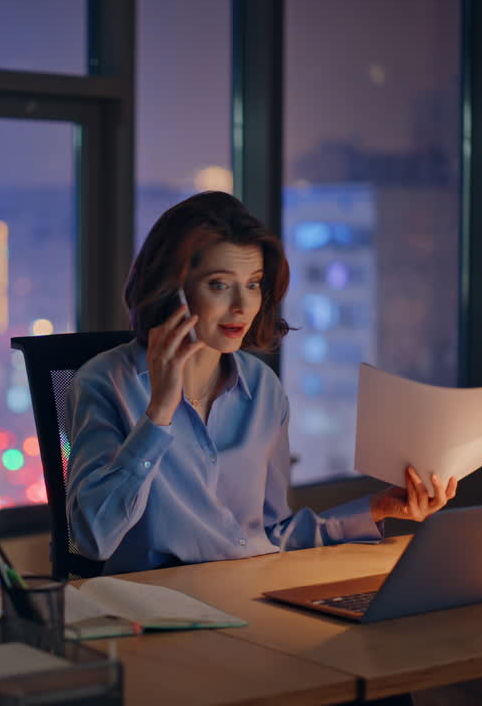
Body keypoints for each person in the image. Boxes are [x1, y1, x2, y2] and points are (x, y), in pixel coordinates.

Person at [65, 191, 457, 575]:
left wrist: (379, 509)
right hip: (159, 614)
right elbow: (91, 540)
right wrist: (159, 415)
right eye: (219, 285)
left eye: (253, 284)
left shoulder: (262, 388)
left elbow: (270, 533)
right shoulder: (104, 382)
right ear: (172, 290)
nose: (242, 306)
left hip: (252, 597)